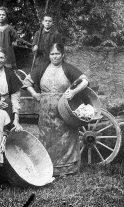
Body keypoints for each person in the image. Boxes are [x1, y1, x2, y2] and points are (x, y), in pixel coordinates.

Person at [23, 43, 89, 176]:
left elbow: (85, 81)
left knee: (66, 137)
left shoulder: (68, 68)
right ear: (49, 56)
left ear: (62, 55)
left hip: (64, 110)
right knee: (47, 137)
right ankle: (48, 167)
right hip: (46, 110)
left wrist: (74, 92)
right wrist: (35, 94)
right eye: (52, 54)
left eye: (57, 54)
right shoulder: (41, 68)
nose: (55, 56)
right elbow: (27, 82)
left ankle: (67, 169)